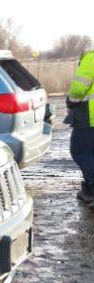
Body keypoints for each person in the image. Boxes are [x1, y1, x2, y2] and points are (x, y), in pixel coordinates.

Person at [67, 50, 94, 208]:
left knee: (80, 150)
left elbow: (78, 88)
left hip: (89, 115)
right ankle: (89, 190)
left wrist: (71, 100)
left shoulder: (91, 58)